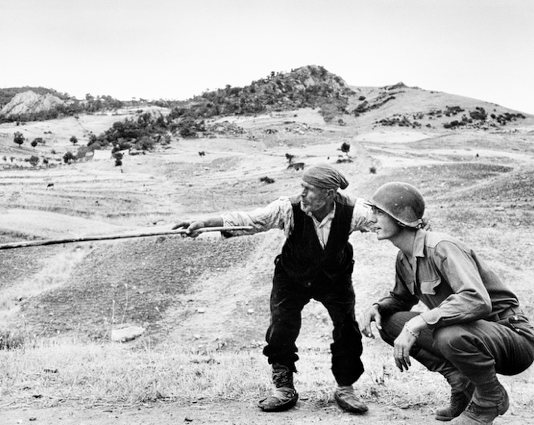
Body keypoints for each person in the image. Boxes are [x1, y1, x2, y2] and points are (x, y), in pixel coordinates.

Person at [174, 163, 372, 414]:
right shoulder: (287, 208)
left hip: (334, 278)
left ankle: (345, 387)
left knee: (347, 328)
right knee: (281, 328)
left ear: (330, 194)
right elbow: (250, 221)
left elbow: (386, 220)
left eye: (309, 189)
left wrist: (418, 227)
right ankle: (283, 387)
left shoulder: (354, 211)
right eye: (302, 187)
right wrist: (204, 223)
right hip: (291, 277)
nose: (302, 194)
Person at [359, 182, 534, 425]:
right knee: (390, 322)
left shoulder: (441, 247)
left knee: (448, 333)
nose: (371, 218)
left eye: (378, 212)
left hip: (512, 339)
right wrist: (377, 308)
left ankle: (490, 398)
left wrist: (418, 323)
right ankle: (463, 386)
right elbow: (401, 299)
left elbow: (476, 300)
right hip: (471, 335)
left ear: (401, 219)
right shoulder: (404, 257)